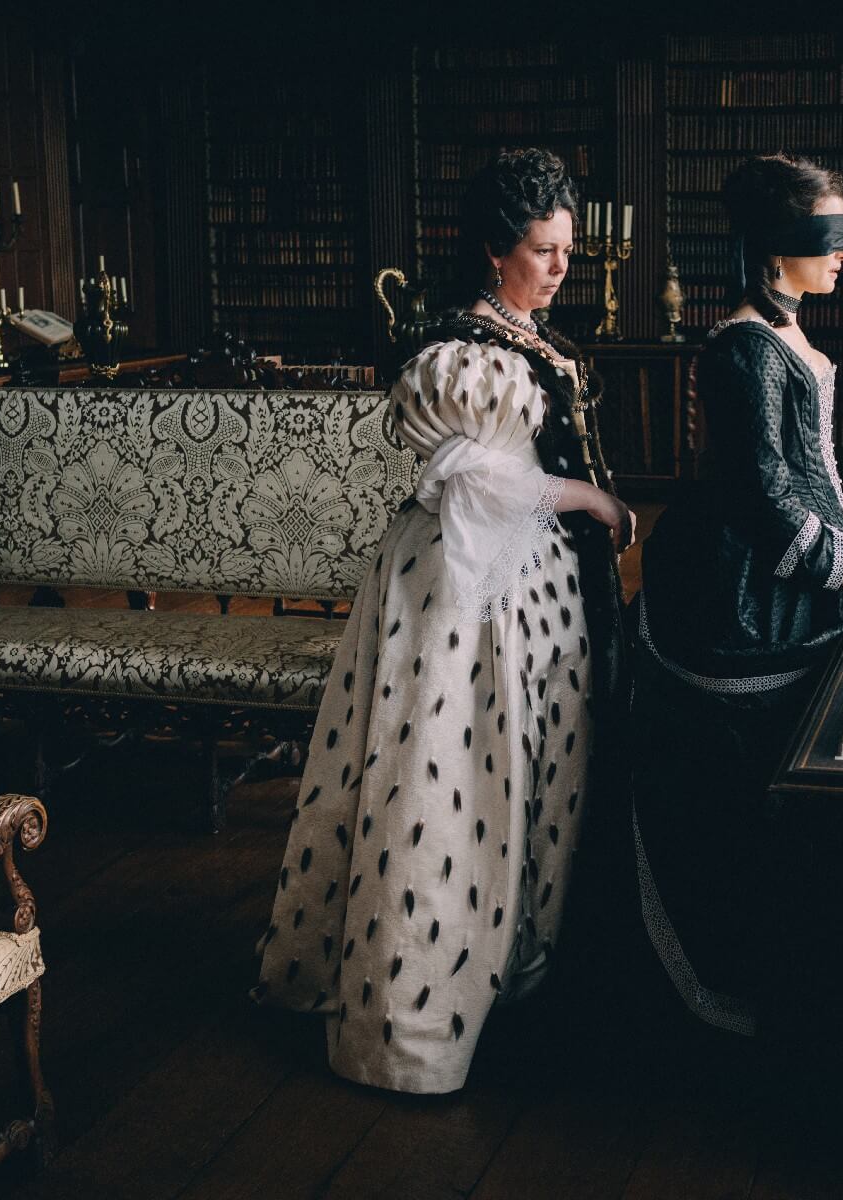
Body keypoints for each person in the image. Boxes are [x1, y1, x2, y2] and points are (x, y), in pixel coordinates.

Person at [255, 147, 633, 1094]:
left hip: (541, 591)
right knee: (458, 774)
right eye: (543, 249)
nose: (562, 265)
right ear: (496, 251)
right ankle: (417, 1016)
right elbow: (475, 480)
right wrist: (589, 499)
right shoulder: (465, 356)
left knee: (535, 771)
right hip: (468, 594)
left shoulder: (530, 336)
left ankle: (514, 970)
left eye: (567, 248)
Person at [628, 153, 843, 1044]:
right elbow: (764, 495)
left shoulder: (783, 337)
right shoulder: (742, 348)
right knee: (773, 778)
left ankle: (837, 963)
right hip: (739, 590)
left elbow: (817, 471)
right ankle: (775, 973)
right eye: (829, 236)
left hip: (793, 564)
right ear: (778, 246)